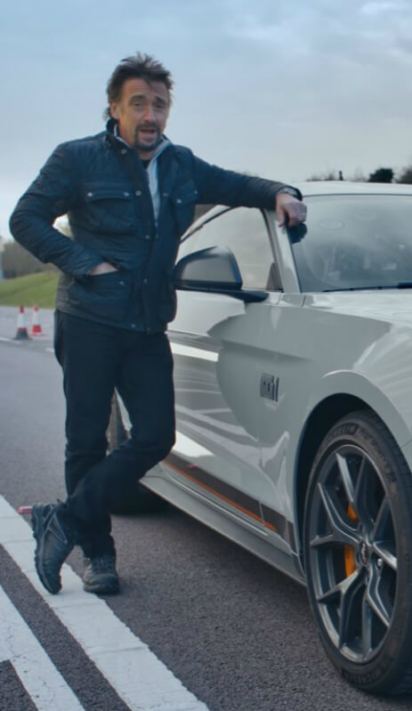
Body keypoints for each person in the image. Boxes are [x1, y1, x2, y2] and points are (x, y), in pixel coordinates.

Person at [9, 53, 307, 595]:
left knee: (155, 436)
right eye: (139, 104)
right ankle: (99, 555)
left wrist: (281, 192)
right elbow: (24, 218)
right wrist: (83, 262)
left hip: (147, 325)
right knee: (85, 441)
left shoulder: (180, 165)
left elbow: (239, 185)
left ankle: (65, 519)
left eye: (160, 105)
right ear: (115, 108)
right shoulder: (75, 159)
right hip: (90, 320)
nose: (150, 115)